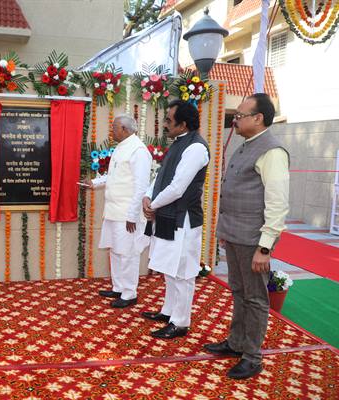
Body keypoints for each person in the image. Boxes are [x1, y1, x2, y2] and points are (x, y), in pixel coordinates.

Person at [204, 93, 289, 380]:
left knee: (255, 298)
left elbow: (277, 203)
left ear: (258, 118)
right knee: (239, 292)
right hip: (236, 235)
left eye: (240, 115)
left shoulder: (272, 151)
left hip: (254, 240)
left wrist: (264, 247)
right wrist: (226, 232)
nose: (235, 120)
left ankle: (252, 357)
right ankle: (236, 343)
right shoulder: (246, 145)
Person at [141, 100, 209, 339]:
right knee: (170, 269)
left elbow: (178, 187)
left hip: (184, 219)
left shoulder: (196, 148)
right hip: (167, 214)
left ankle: (180, 322)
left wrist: (153, 206)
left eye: (169, 120)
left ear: (183, 124)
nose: (165, 125)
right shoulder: (178, 143)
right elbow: (160, 178)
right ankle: (169, 311)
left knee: (183, 271)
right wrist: (148, 198)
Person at [86, 114, 151, 308]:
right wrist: (94, 182)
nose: (111, 131)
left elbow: (141, 186)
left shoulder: (138, 150)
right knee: (115, 250)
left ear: (124, 129)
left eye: (114, 127)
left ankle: (129, 293)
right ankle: (118, 287)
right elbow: (114, 176)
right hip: (113, 211)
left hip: (127, 214)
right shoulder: (121, 148)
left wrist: (132, 215)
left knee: (128, 253)